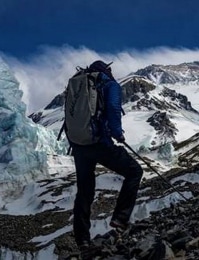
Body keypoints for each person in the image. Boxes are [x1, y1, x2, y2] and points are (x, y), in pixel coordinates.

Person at [70, 60, 143, 251]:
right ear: (106, 70)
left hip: (79, 146)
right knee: (134, 171)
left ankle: (82, 240)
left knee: (84, 191)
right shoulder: (109, 85)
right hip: (99, 143)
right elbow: (112, 107)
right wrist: (117, 133)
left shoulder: (78, 87)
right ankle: (120, 219)